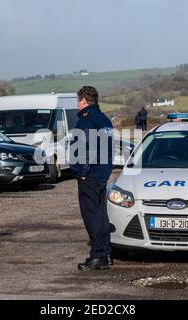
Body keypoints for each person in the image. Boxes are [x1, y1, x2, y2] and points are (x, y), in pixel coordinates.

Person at [71, 86, 114, 271]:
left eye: (78, 100)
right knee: (101, 215)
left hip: (90, 175)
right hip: (102, 173)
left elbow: (86, 149)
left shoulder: (86, 121)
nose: (77, 104)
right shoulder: (104, 120)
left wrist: (82, 171)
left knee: (91, 216)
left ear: (84, 101)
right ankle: (105, 253)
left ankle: (97, 256)